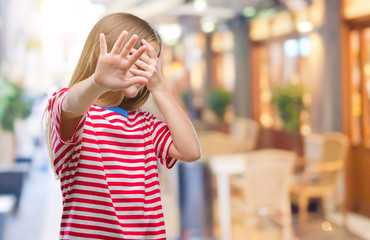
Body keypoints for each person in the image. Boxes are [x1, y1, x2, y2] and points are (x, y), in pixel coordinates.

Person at [45, 12, 201, 240]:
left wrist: (158, 86)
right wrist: (97, 83)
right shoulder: (80, 116)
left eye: (152, 61)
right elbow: (71, 104)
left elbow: (191, 151)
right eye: (133, 56)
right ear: (102, 53)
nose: (144, 68)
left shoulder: (144, 124)